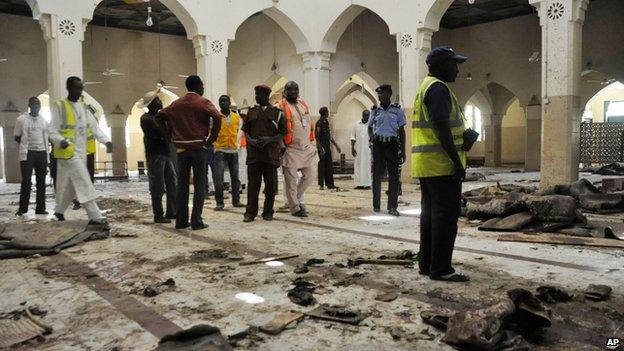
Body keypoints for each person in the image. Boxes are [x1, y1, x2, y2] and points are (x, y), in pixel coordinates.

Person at [413, 46, 469, 282]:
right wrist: (457, 162)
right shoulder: (437, 89)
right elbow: (440, 126)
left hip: (428, 164)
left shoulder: (427, 87)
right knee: (445, 217)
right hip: (441, 164)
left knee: (430, 216)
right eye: (454, 64)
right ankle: (441, 268)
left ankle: (427, 264)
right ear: (440, 66)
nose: (457, 69)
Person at [155, 75, 221, 230]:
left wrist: (168, 134)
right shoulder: (203, 102)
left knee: (182, 185)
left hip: (181, 149)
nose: (203, 88)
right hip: (198, 147)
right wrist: (212, 138)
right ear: (198, 86)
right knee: (199, 185)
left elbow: (159, 116)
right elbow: (217, 116)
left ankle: (181, 221)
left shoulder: (176, 103)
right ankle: (196, 220)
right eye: (203, 86)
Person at [48, 76, 112, 226]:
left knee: (72, 186)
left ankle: (59, 212)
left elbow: (94, 128)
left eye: (81, 88)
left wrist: (106, 141)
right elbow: (51, 129)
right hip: (68, 152)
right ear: (69, 88)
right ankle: (94, 216)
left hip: (81, 153)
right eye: (77, 88)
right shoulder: (60, 106)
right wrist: (60, 140)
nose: (80, 91)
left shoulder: (84, 108)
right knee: (84, 181)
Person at [242, 85, 286, 222]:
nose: (256, 97)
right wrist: (251, 141)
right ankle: (250, 212)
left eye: (258, 94)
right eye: (255, 94)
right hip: (254, 155)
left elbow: (282, 133)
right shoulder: (251, 112)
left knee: (270, 186)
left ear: (266, 96)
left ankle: (268, 212)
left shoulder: (278, 113)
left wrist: (269, 140)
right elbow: (246, 131)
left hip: (270, 155)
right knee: (253, 185)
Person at [276, 81, 318, 218]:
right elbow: (276, 129)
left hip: (306, 147)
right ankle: (295, 207)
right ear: (285, 92)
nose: (293, 92)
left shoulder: (302, 104)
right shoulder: (279, 107)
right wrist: (281, 147)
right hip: (290, 148)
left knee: (311, 175)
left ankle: (293, 199)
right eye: (290, 90)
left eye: (296, 90)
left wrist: (313, 143)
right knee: (291, 180)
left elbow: (309, 125)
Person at [139, 90, 177, 223]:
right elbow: (161, 132)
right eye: (157, 100)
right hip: (155, 154)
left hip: (166, 153)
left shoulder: (161, 116)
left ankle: (172, 211)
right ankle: (158, 214)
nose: (160, 102)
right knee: (158, 185)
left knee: (172, 183)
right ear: (150, 104)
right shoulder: (146, 118)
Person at [368, 84, 405, 216]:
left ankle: (392, 207)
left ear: (389, 94)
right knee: (377, 176)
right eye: (378, 94)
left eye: (381, 94)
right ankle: (376, 204)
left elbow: (402, 130)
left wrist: (403, 150)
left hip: (392, 145)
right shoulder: (375, 110)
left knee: (394, 177)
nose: (379, 96)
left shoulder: (397, 110)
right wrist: (372, 140)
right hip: (378, 145)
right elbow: (369, 127)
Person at [15, 97, 49, 216]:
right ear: (29, 105)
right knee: (26, 181)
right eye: (34, 105)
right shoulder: (21, 120)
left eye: (38, 105)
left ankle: (40, 208)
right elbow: (17, 137)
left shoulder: (44, 121)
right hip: (28, 153)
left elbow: (47, 137)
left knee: (41, 181)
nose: (36, 107)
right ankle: (22, 209)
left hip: (42, 153)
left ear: (40, 107)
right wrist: (27, 147)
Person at [213, 95, 244, 210]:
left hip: (233, 150)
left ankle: (236, 201)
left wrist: (237, 145)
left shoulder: (237, 117)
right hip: (219, 150)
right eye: (220, 101)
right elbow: (211, 131)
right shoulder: (215, 117)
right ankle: (219, 202)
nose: (222, 103)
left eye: (224, 101)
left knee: (235, 177)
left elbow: (239, 132)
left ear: (229, 102)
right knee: (219, 178)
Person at [315, 107, 341, 190]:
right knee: (322, 166)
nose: (328, 114)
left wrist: (336, 145)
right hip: (321, 146)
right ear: (325, 113)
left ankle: (330, 184)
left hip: (327, 146)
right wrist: (320, 149)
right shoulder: (319, 123)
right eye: (327, 112)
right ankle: (321, 185)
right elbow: (317, 138)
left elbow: (329, 136)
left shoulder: (326, 122)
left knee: (329, 166)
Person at [351, 110, 372, 189]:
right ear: (363, 116)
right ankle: (358, 184)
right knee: (358, 165)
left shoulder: (370, 125)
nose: (368, 118)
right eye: (367, 116)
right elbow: (352, 137)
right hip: (358, 149)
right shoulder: (356, 125)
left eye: (369, 116)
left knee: (367, 166)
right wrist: (352, 148)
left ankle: (367, 184)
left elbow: (372, 137)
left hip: (367, 149)